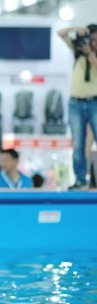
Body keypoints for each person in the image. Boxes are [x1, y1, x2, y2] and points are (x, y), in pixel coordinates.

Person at [57, 24, 97, 190]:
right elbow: (60, 33)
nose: (92, 42)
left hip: (94, 102)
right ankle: (80, 180)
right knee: (78, 144)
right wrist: (77, 29)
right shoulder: (78, 52)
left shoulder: (90, 55)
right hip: (75, 103)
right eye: (91, 38)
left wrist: (90, 53)